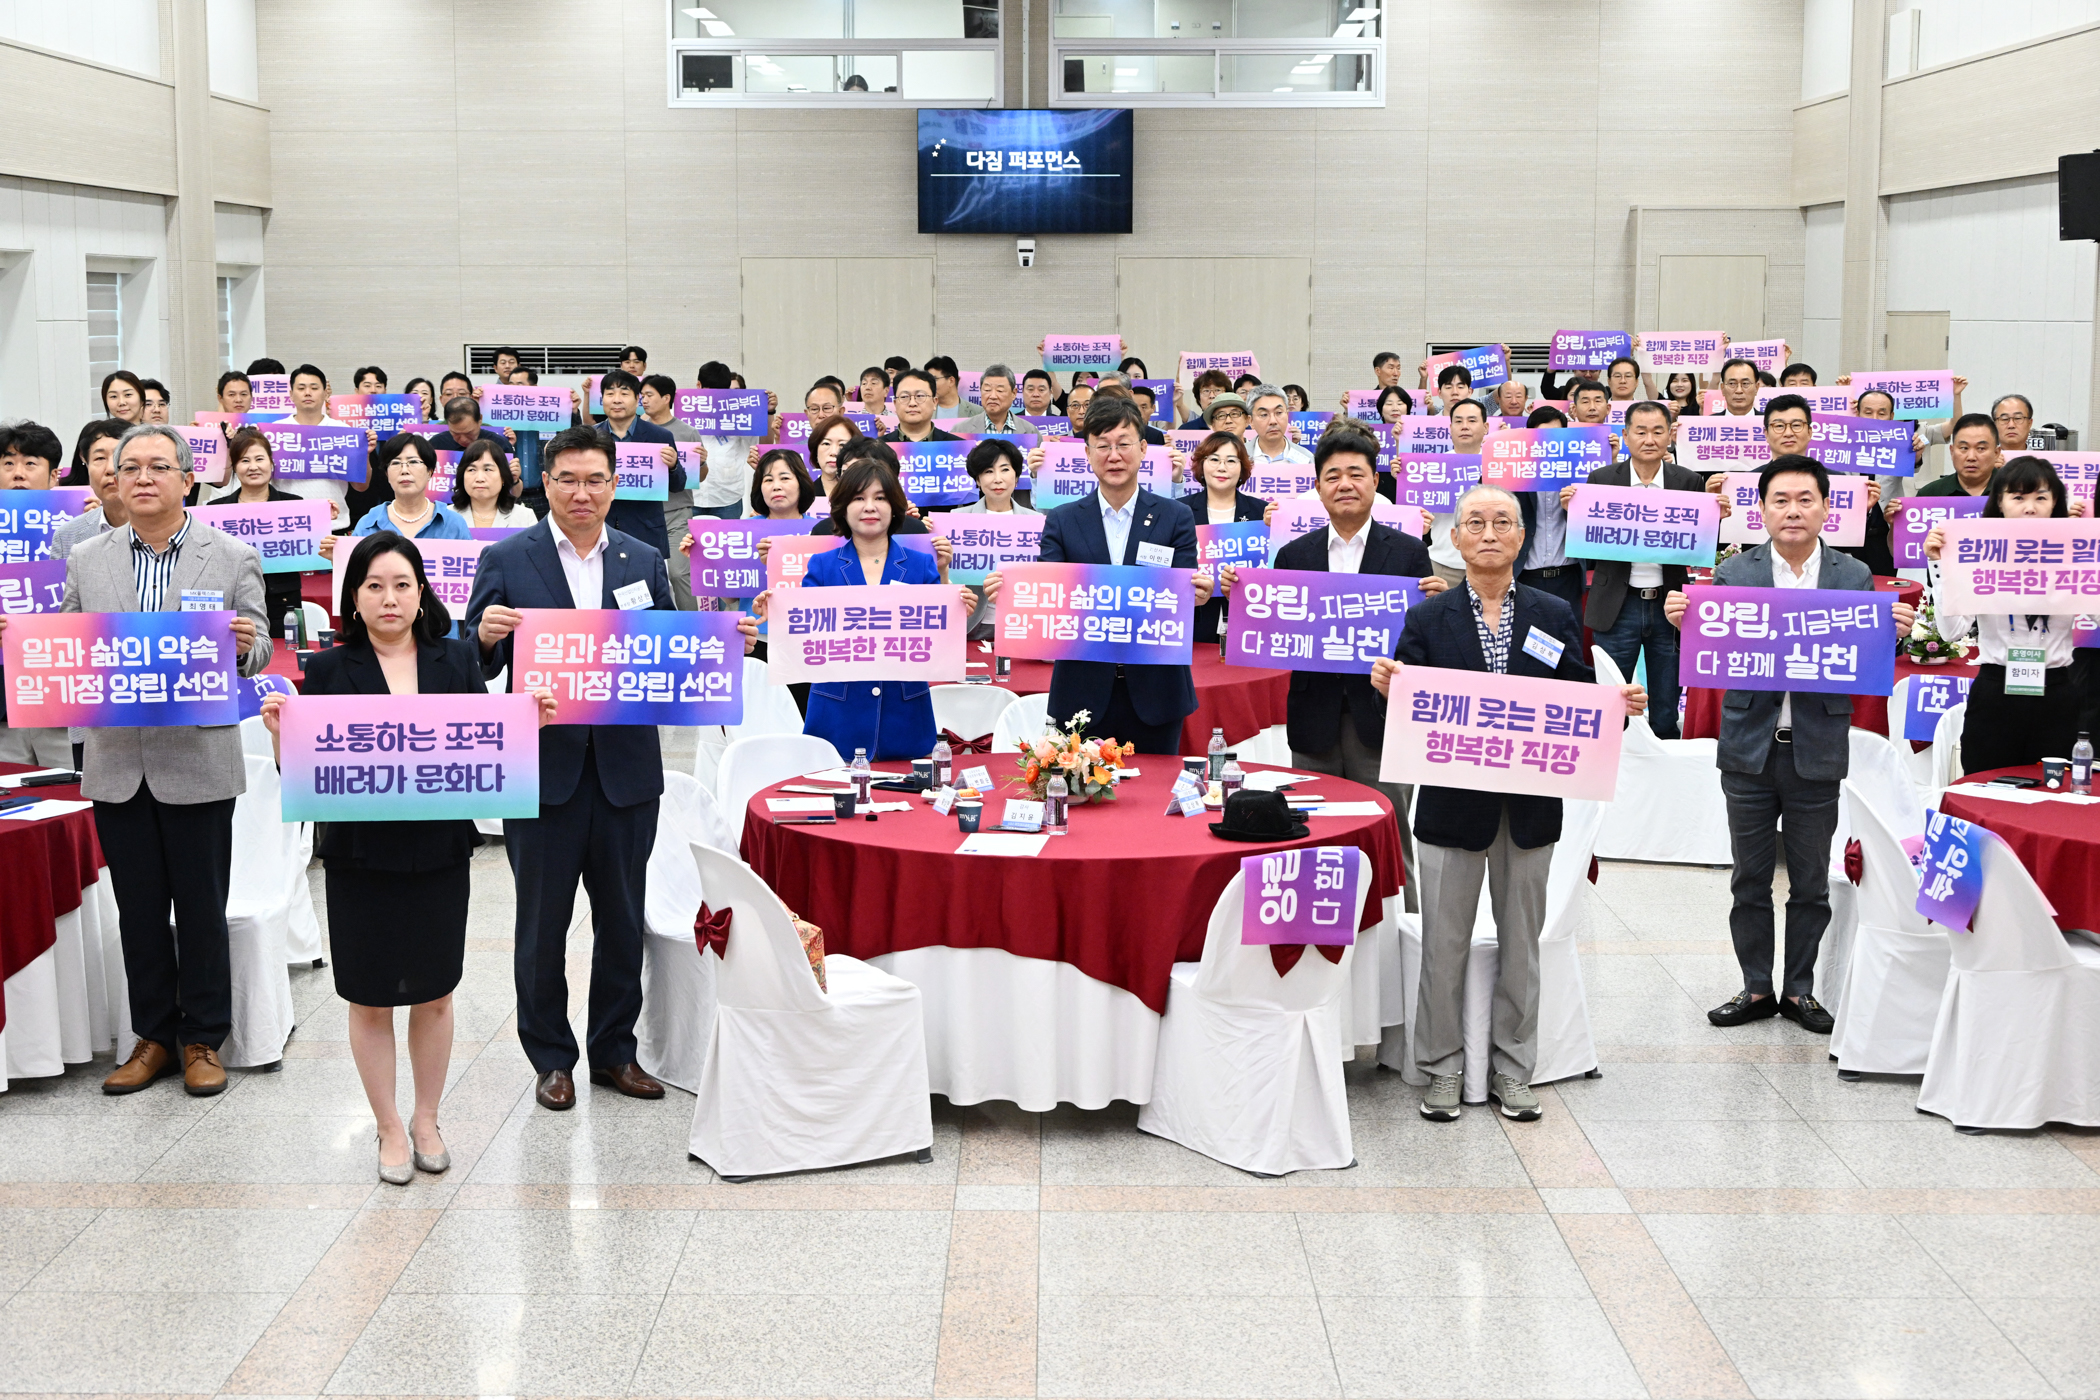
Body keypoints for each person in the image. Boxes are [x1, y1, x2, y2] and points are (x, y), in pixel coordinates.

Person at [259, 533, 555, 1181]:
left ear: (422, 592)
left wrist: (526, 728)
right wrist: (285, 739)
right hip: (360, 855)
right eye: (373, 586)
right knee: (367, 999)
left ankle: (426, 1117)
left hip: (438, 850)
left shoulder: (455, 662)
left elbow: (486, 755)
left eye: (401, 584)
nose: (388, 597)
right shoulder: (331, 670)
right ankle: (388, 1128)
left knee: (435, 993)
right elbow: (308, 774)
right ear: (353, 599)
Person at [1370, 483, 1645, 1122]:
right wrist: (1391, 691)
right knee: (1443, 942)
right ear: (1456, 539)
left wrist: (1617, 710)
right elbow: (1412, 714)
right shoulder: (1427, 619)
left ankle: (1513, 1070)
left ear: (1522, 538)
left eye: (1503, 522)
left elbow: (1578, 700)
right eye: (1475, 522)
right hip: (1450, 807)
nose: (1489, 532)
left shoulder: (1552, 613)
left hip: (1528, 808)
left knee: (1524, 945)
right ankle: (1440, 1068)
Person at [43, 425, 271, 1096]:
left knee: (201, 906)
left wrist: (241, 646)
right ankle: (153, 1036)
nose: (142, 477)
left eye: (157, 467)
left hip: (197, 756)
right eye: (129, 467)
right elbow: (71, 644)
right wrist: (34, 645)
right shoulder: (87, 557)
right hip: (115, 759)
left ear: (187, 478)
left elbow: (256, 655)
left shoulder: (230, 554)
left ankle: (202, 1038)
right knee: (138, 910)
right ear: (110, 478)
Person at [467, 426, 678, 1110]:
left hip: (625, 772)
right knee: (541, 926)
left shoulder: (643, 558)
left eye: (595, 480)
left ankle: (615, 1052)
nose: (582, 493)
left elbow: (670, 655)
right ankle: (551, 1057)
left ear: (615, 485)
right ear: (544, 484)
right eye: (568, 480)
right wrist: (482, 639)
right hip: (545, 772)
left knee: (622, 921)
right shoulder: (507, 557)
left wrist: (726, 644)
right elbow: (476, 666)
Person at [1666, 454, 1914, 1035]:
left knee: (1809, 882)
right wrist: (1687, 624)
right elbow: (1712, 655)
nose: (1794, 511)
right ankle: (1755, 987)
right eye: (1781, 500)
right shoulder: (1735, 575)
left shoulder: (1852, 577)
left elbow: (1863, 662)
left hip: (1817, 745)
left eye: (1806, 499)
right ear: (1762, 509)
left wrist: (1891, 633)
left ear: (1826, 508)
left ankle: (1800, 990)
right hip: (1750, 746)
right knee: (1749, 878)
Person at [1236, 421, 1441, 909]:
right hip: (1314, 716)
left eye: (1356, 473)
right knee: (1313, 833)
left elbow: (1421, 643)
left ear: (1375, 481)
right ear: (1317, 486)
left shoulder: (1410, 552)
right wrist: (1240, 596)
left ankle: (1400, 934)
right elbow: (1274, 634)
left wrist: (1437, 606)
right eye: (1332, 476)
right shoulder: (1293, 554)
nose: (1344, 484)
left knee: (1390, 835)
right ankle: (1314, 930)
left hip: (1382, 717)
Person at [749, 457, 972, 762]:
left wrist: (958, 611)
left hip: (905, 714)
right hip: (837, 713)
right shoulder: (823, 565)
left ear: (894, 507)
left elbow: (939, 643)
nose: (870, 507)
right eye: (858, 498)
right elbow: (804, 640)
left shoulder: (920, 565)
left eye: (880, 498)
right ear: (842, 507)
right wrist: (779, 615)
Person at [1036, 395, 1212, 753]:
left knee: (1155, 799)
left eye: (1123, 444)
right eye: (1102, 445)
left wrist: (1196, 593)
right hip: (1082, 691)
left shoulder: (1175, 516)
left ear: (1144, 448)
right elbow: (1048, 591)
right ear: (1087, 453)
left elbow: (1179, 591)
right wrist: (1010, 591)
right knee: (1086, 800)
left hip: (1156, 691)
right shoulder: (1062, 520)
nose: (1113, 455)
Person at [1921, 456, 2085, 772]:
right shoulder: (1977, 555)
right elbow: (1952, 632)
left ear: (2055, 504)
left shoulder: (2074, 556)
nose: (2030, 507)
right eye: (2018, 497)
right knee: (1985, 789)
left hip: (2056, 693)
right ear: (2000, 501)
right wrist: (1939, 566)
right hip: (1996, 692)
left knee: (2052, 799)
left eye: (2041, 497)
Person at [1566, 402, 1706, 738]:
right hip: (1617, 604)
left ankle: (1662, 779)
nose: (1649, 439)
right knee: (1611, 702)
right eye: (1640, 431)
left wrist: (1716, 519)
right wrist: (1575, 512)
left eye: (1658, 431)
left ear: (1670, 435)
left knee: (1666, 706)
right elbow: (1591, 545)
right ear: (1625, 436)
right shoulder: (1601, 479)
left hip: (1669, 606)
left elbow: (1699, 547)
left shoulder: (1688, 481)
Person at [210, 426, 310, 631]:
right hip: (231, 604)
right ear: (235, 467)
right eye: (244, 461)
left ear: (271, 463)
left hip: (282, 603)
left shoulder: (295, 506)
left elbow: (310, 551)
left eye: (259, 459)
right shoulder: (215, 510)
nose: (253, 467)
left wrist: (324, 517)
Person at [950, 438, 1040, 638]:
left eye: (1005, 469)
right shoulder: (957, 519)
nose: (997, 479)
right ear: (977, 480)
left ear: (1016, 477)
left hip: (1022, 624)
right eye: (988, 471)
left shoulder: (1037, 522)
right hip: (972, 626)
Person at [590, 369, 684, 559]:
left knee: (646, 586)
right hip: (598, 529)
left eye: (624, 393)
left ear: (637, 399)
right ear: (602, 400)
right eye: (610, 394)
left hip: (645, 531)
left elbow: (678, 485)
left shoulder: (660, 436)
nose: (616, 400)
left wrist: (673, 465)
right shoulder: (589, 437)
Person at [1186, 430, 1266, 643]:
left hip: (1250, 620)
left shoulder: (1261, 513)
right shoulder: (1179, 511)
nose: (1222, 467)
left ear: (1242, 468)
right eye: (1214, 459)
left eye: (1231, 461)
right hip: (1194, 621)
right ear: (1201, 464)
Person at [330, 434, 470, 552]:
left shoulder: (453, 522)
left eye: (413, 462)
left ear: (430, 471)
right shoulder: (368, 523)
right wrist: (337, 558)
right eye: (396, 463)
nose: (404, 470)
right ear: (386, 474)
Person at [1514, 403, 1584, 614]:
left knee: (1568, 642)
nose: (1547, 443)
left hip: (1568, 577)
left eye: (1555, 436)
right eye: (1540, 436)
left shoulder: (1581, 472)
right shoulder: (1514, 473)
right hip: (1525, 576)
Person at [640, 372, 701, 608]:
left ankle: (692, 627)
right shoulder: (635, 431)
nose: (643, 400)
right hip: (644, 513)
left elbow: (699, 477)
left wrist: (701, 463)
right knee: (644, 577)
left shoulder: (687, 432)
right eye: (641, 395)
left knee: (678, 573)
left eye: (649, 394)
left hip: (677, 511)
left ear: (666, 398)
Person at [1422, 399, 1491, 588]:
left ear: (1485, 427)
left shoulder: (1500, 464)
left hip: (1489, 566)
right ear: (1450, 427)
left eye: (1471, 420)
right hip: (1442, 565)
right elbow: (1419, 513)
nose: (1465, 426)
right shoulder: (1431, 466)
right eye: (1458, 421)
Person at [681, 361, 744, 528]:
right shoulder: (681, 409)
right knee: (686, 549)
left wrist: (768, 412)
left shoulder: (741, 414)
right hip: (689, 495)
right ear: (698, 386)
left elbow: (762, 444)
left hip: (727, 496)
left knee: (728, 547)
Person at [452, 438, 535, 530]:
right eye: (472, 470)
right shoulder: (445, 516)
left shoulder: (525, 517)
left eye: (488, 469)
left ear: (503, 476)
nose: (479, 479)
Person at [881, 369, 962, 445]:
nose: (912, 403)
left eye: (920, 395)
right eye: (904, 396)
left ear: (934, 402)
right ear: (895, 404)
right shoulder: (878, 448)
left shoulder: (957, 446)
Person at [1246, 385, 1310, 468]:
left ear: (1287, 415)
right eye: (1264, 414)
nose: (1273, 421)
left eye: (1279, 412)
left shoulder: (1307, 459)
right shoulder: (1237, 456)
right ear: (1251, 421)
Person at [958, 364, 1026, 435]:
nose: (993, 396)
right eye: (987, 390)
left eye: (1000, 390)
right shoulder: (960, 430)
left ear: (1013, 393)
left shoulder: (1030, 431)